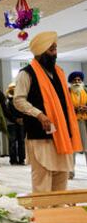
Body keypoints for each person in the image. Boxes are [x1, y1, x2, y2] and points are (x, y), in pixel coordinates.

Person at [14, 31, 82, 192]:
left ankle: (57, 214)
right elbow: (18, 100)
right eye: (51, 50)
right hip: (40, 136)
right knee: (42, 181)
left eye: (55, 49)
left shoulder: (59, 72)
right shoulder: (26, 73)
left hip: (62, 134)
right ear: (41, 51)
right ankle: (43, 215)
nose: (55, 53)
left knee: (61, 180)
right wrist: (39, 114)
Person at [67, 71, 87, 179]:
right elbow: (64, 108)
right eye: (75, 80)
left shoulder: (85, 91)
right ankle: (70, 172)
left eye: (79, 80)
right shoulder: (67, 92)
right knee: (72, 149)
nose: (77, 82)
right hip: (72, 123)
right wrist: (75, 109)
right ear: (71, 81)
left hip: (84, 123)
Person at [5, 83, 26, 165]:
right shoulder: (7, 100)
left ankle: (21, 159)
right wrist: (15, 119)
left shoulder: (21, 99)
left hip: (21, 122)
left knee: (21, 141)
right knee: (12, 142)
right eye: (12, 88)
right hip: (11, 123)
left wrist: (22, 119)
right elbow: (7, 112)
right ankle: (13, 159)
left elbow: (24, 109)